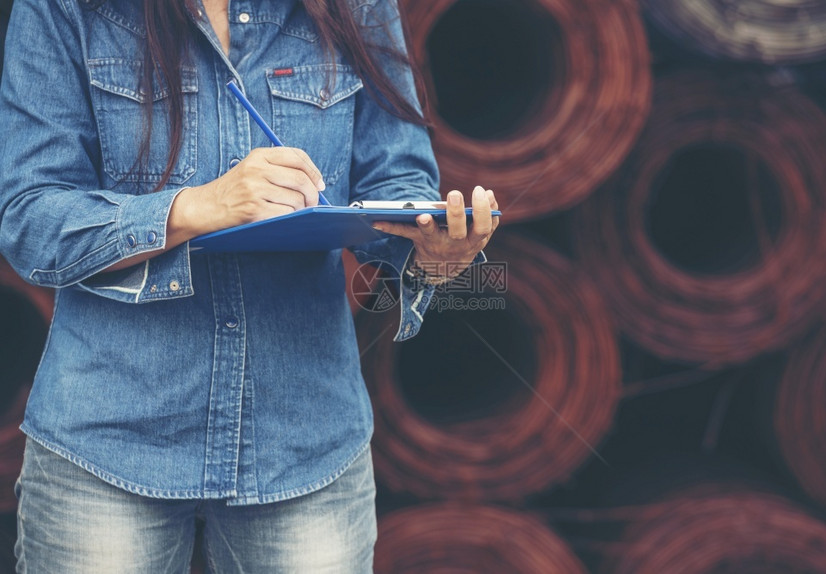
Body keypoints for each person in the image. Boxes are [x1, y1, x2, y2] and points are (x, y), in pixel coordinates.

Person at [0, 0, 499, 571]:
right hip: (108, 439)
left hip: (304, 442)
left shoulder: (357, 7)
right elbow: (30, 216)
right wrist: (197, 206)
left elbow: (396, 180)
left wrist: (431, 249)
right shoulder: (65, 9)